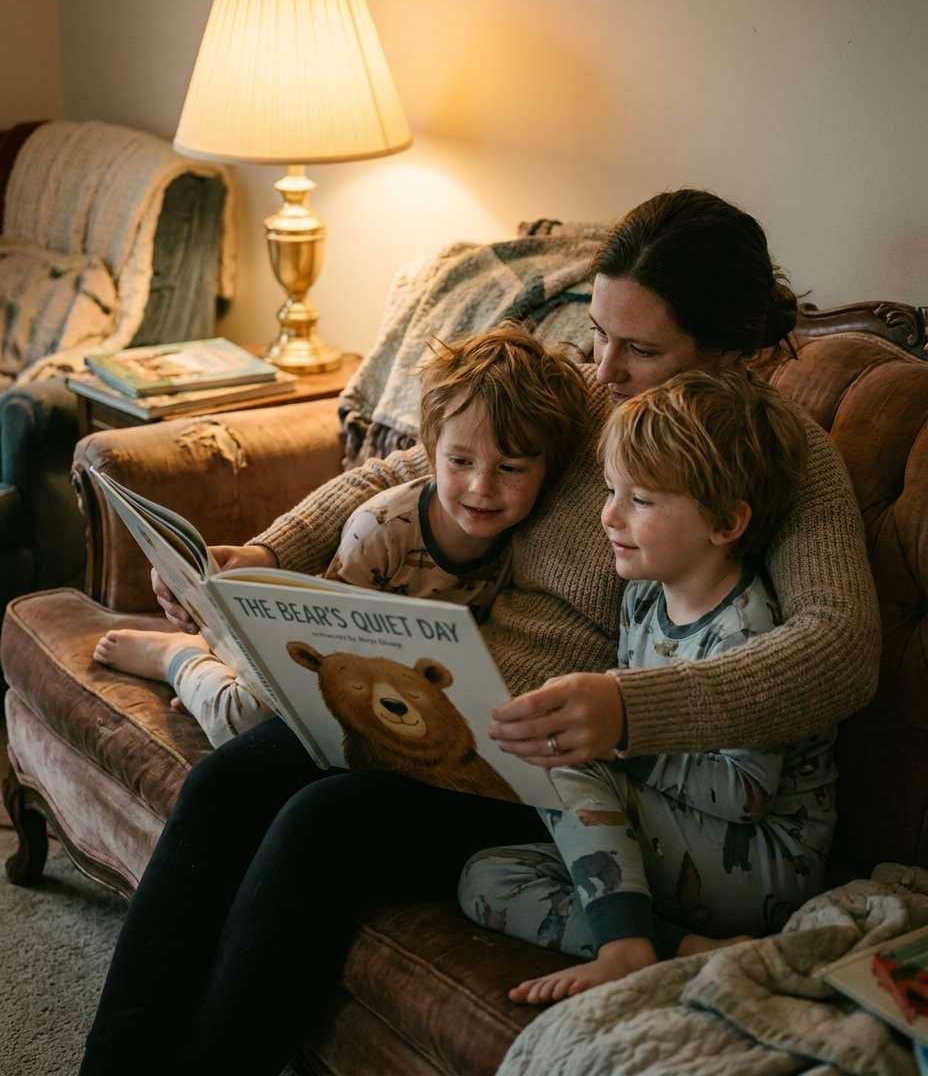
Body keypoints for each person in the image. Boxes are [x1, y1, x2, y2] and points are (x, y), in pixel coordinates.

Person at [80, 190, 879, 1076]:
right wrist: (265, 552)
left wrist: (630, 708)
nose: (603, 369)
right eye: (599, 332)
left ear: (729, 349)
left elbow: (841, 648)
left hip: (545, 760)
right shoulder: (587, 393)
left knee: (322, 828)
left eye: (640, 350)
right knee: (227, 783)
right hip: (443, 694)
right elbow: (415, 467)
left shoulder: (777, 455)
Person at [459, 368, 838, 1005]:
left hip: (763, 860)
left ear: (726, 522)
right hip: (682, 841)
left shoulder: (747, 628)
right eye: (612, 490)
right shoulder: (641, 596)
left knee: (568, 756)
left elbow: (747, 793)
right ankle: (673, 947)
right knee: (486, 877)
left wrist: (616, 742)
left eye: (639, 501)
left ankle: (624, 947)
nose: (608, 515)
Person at [91, 328, 588, 747]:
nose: (482, 487)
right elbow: (321, 650)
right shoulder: (381, 530)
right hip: (321, 653)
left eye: (510, 468)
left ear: (547, 470)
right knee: (242, 719)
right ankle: (179, 657)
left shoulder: (525, 538)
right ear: (432, 450)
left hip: (401, 682)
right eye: (460, 461)